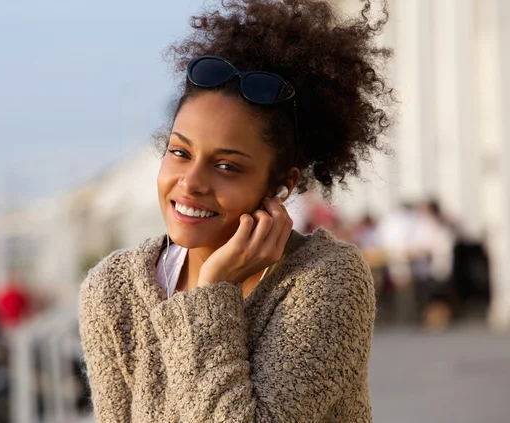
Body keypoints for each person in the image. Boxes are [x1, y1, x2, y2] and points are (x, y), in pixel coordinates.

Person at [79, 0, 393, 421]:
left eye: (227, 165)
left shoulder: (326, 280)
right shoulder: (113, 292)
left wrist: (211, 290)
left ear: (281, 186)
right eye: (179, 152)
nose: (190, 182)